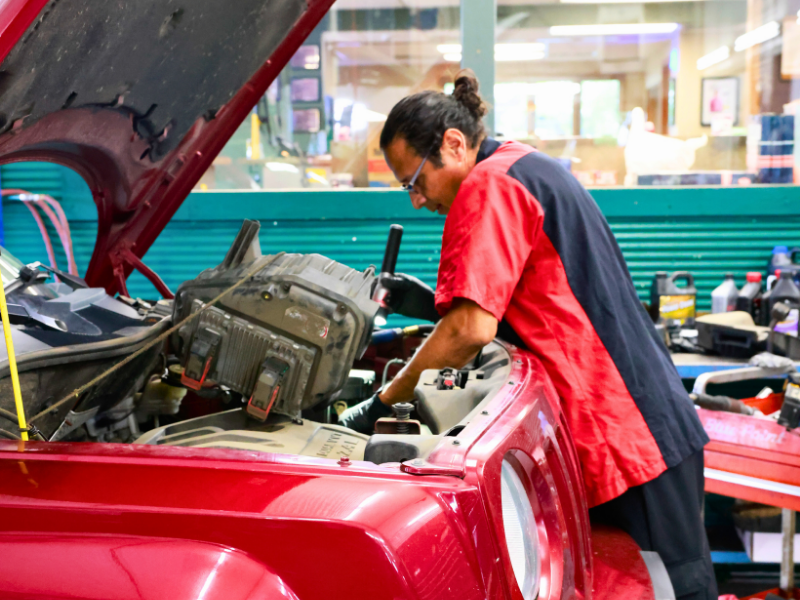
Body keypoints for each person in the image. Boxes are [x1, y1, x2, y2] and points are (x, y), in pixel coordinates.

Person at [339, 70, 715, 600]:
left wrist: (381, 400)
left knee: (669, 588)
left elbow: (472, 327)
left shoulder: (489, 185)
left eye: (415, 181)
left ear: (453, 143)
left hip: (625, 436)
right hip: (638, 420)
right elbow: (535, 291)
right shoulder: (524, 165)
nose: (416, 201)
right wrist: (427, 302)